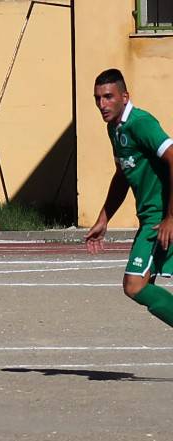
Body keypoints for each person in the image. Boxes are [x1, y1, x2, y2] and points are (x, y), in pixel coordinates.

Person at [85, 68, 173, 327]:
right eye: (97, 98)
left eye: (108, 96)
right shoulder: (115, 129)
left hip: (159, 219)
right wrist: (103, 219)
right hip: (150, 217)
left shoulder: (140, 122)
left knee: (134, 285)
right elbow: (122, 175)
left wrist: (170, 217)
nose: (102, 104)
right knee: (141, 284)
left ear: (125, 96)